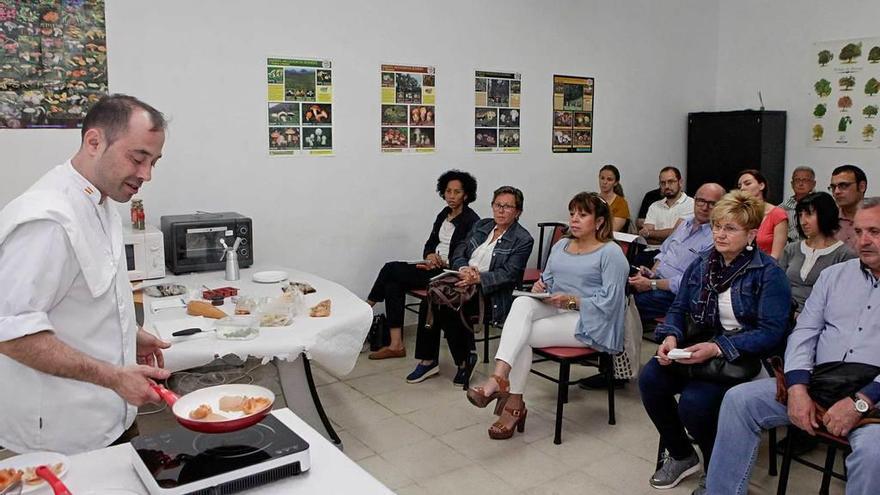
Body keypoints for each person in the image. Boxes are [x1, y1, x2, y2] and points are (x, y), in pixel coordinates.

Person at [0, 95, 171, 454]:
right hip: (63, 436)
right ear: (94, 142)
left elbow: (86, 293)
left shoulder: (103, 198)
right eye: (138, 158)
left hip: (111, 417)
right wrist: (113, 376)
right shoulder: (48, 220)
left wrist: (129, 334)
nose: (147, 175)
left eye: (153, 162)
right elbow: (11, 332)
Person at [705, 197, 880, 495]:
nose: (864, 240)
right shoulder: (835, 276)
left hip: (874, 397)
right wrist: (798, 387)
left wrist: (861, 401)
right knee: (738, 401)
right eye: (860, 231)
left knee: (873, 454)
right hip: (819, 382)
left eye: (875, 232)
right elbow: (805, 332)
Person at [639, 191, 791, 493]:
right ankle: (682, 455)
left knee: (695, 404)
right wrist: (671, 336)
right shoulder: (703, 264)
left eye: (730, 228)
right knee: (650, 378)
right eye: (718, 226)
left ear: (750, 234)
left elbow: (772, 332)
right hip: (700, 347)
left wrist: (719, 347)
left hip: (741, 356)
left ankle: (716, 466)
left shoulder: (768, 273)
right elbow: (679, 309)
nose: (720, 234)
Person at [465, 192, 627, 439]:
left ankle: (512, 403)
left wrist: (571, 300)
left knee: (522, 336)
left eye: (583, 215)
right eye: (572, 213)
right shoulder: (562, 245)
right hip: (557, 307)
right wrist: (541, 287)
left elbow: (612, 303)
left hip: (591, 320)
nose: (574, 219)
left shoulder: (611, 253)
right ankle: (500, 378)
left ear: (600, 222)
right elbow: (549, 279)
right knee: (521, 304)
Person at [407, 186, 534, 386]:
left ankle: (465, 360)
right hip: (463, 279)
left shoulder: (523, 239)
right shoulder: (482, 226)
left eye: (508, 207)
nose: (501, 210)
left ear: (518, 212)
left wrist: (478, 279)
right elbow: (459, 251)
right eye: (497, 205)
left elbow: (509, 274)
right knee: (432, 298)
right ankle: (428, 360)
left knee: (451, 304)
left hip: (491, 293)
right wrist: (464, 268)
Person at [366, 170, 480, 360]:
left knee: (390, 268)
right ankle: (396, 345)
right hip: (433, 266)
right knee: (392, 283)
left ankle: (365, 310)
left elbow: (467, 255)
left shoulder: (472, 221)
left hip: (449, 272)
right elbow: (430, 243)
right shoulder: (444, 214)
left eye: (456, 192)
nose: (451, 196)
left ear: (466, 195)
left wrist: (444, 261)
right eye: (448, 191)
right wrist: (429, 256)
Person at [628, 183, 725, 322]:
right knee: (620, 287)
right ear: (695, 200)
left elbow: (692, 282)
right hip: (656, 281)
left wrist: (651, 284)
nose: (704, 207)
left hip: (677, 293)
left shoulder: (717, 238)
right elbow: (664, 251)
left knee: (632, 302)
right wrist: (652, 273)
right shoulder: (684, 224)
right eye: (701, 201)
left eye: (711, 203)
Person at [778, 191, 856, 313]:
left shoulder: (845, 254)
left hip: (819, 317)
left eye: (809, 214)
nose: (803, 221)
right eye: (800, 215)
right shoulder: (791, 249)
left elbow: (842, 299)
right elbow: (776, 285)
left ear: (825, 215)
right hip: (782, 313)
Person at [638, 167, 695, 265]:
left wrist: (651, 233)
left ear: (680, 182)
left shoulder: (691, 204)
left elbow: (676, 235)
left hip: (676, 254)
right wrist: (667, 234)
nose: (667, 186)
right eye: (663, 183)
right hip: (651, 252)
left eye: (671, 182)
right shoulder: (654, 206)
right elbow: (646, 237)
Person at [737, 169, 788, 259]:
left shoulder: (777, 214)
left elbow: (777, 256)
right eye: (740, 186)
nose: (742, 188)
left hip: (767, 268)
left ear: (761, 185)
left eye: (747, 183)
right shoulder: (738, 214)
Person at [829, 164, 868, 250]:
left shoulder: (876, 218)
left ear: (862, 187)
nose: (836, 192)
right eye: (833, 187)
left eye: (843, 186)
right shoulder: (827, 220)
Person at [780, 166, 816, 243]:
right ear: (792, 184)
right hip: (789, 251)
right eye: (797, 180)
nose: (800, 183)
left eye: (805, 180)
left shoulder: (820, 206)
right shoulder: (782, 208)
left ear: (813, 184)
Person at [597, 164, 631, 232]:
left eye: (609, 179)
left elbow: (613, 230)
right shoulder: (592, 200)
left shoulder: (621, 203)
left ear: (615, 183)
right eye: (602, 178)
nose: (604, 182)